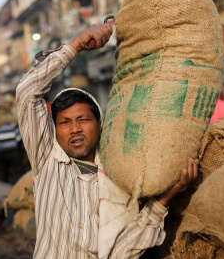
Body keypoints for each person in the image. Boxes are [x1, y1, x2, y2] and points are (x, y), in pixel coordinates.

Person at [16, 20, 198, 259]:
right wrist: (78, 44)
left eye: (83, 119)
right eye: (65, 122)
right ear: (55, 129)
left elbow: (123, 251)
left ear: (99, 124)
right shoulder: (46, 160)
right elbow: (27, 91)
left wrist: (168, 195)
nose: (74, 129)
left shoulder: (119, 176)